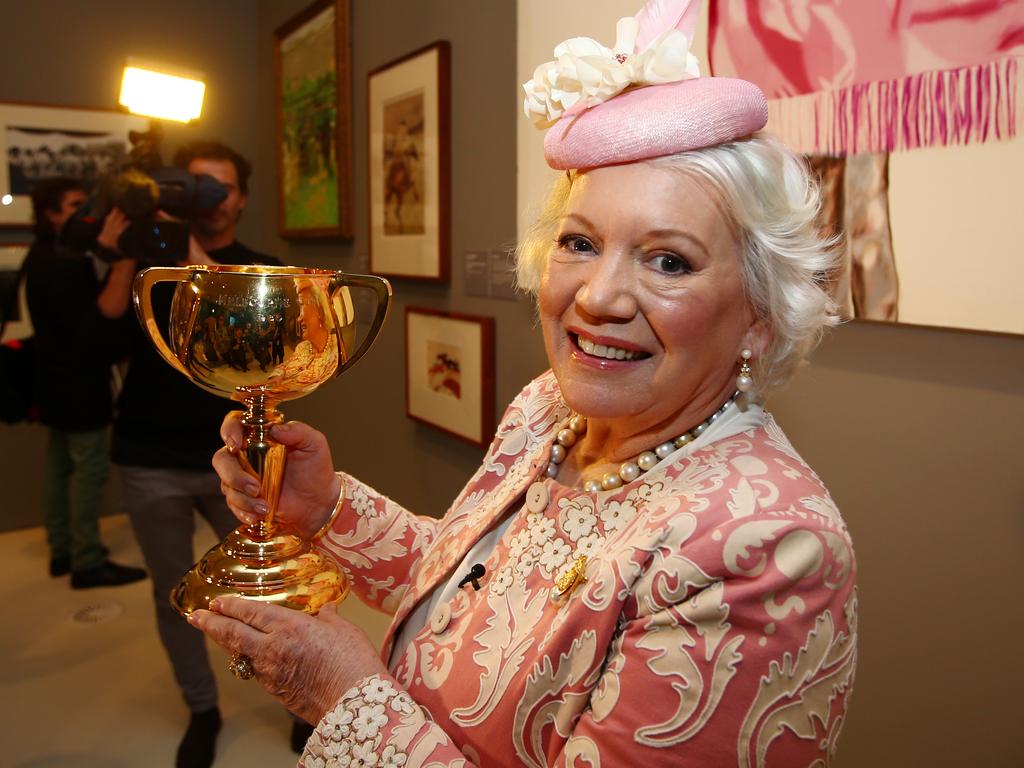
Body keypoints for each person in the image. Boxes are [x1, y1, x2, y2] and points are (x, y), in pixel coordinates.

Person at [194, 3, 858, 765]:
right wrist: (327, 510)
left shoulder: (770, 550)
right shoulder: (549, 405)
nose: (599, 296)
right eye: (580, 243)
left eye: (668, 260)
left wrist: (344, 701)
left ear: (760, 318)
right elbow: (475, 593)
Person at [109, 140, 287, 768]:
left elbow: (253, 343)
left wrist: (183, 250)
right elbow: (98, 338)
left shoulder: (259, 268)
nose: (206, 200)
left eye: (219, 187)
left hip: (232, 459)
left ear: (240, 198)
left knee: (272, 587)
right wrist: (123, 253)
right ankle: (202, 708)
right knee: (174, 591)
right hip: (147, 455)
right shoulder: (144, 263)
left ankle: (296, 694)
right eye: (191, 186)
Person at [23, 176, 146, 589]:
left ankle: (61, 550)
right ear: (52, 214)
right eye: (76, 205)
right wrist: (120, 258)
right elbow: (104, 315)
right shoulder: (67, 259)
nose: (87, 213)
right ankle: (87, 561)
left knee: (59, 466)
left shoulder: (43, 253)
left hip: (52, 380)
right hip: (79, 385)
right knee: (88, 470)